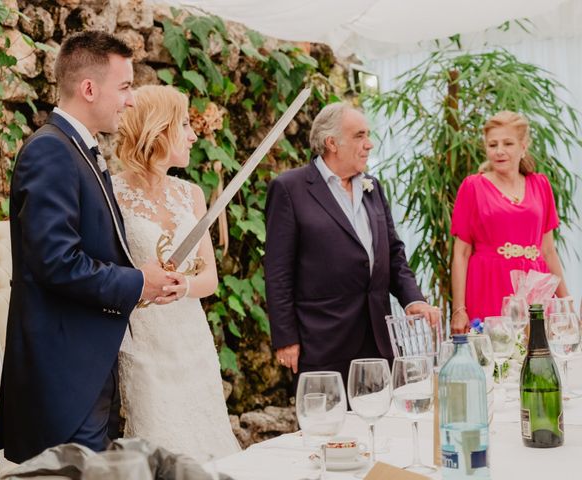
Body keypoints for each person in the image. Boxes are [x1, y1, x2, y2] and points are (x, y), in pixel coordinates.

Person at [0, 31, 177, 463]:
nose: (131, 101)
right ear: (89, 88)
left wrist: (145, 278)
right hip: (64, 378)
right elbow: (56, 263)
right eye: (126, 86)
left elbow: (92, 250)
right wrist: (136, 282)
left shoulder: (79, 149)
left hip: (91, 364)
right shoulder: (50, 152)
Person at [264, 102, 438, 384]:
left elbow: (393, 254)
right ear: (332, 142)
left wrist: (413, 299)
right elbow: (277, 271)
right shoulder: (289, 189)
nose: (369, 144)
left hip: (378, 340)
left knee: (382, 423)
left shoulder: (373, 187)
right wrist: (286, 338)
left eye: (367, 135)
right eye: (359, 136)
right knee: (327, 426)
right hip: (322, 341)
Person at [112, 85, 241, 461]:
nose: (193, 134)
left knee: (209, 444)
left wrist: (184, 284)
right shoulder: (112, 194)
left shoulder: (192, 194)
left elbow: (210, 279)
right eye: (183, 124)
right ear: (158, 128)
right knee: (161, 450)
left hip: (192, 342)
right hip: (146, 345)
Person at [450, 111, 570, 334]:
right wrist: (459, 309)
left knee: (538, 359)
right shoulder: (472, 187)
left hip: (535, 288)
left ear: (523, 147)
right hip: (488, 286)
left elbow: (549, 251)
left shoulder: (541, 185)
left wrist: (566, 304)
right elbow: (461, 253)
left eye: (508, 143)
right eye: (492, 144)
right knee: (496, 360)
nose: (499, 151)